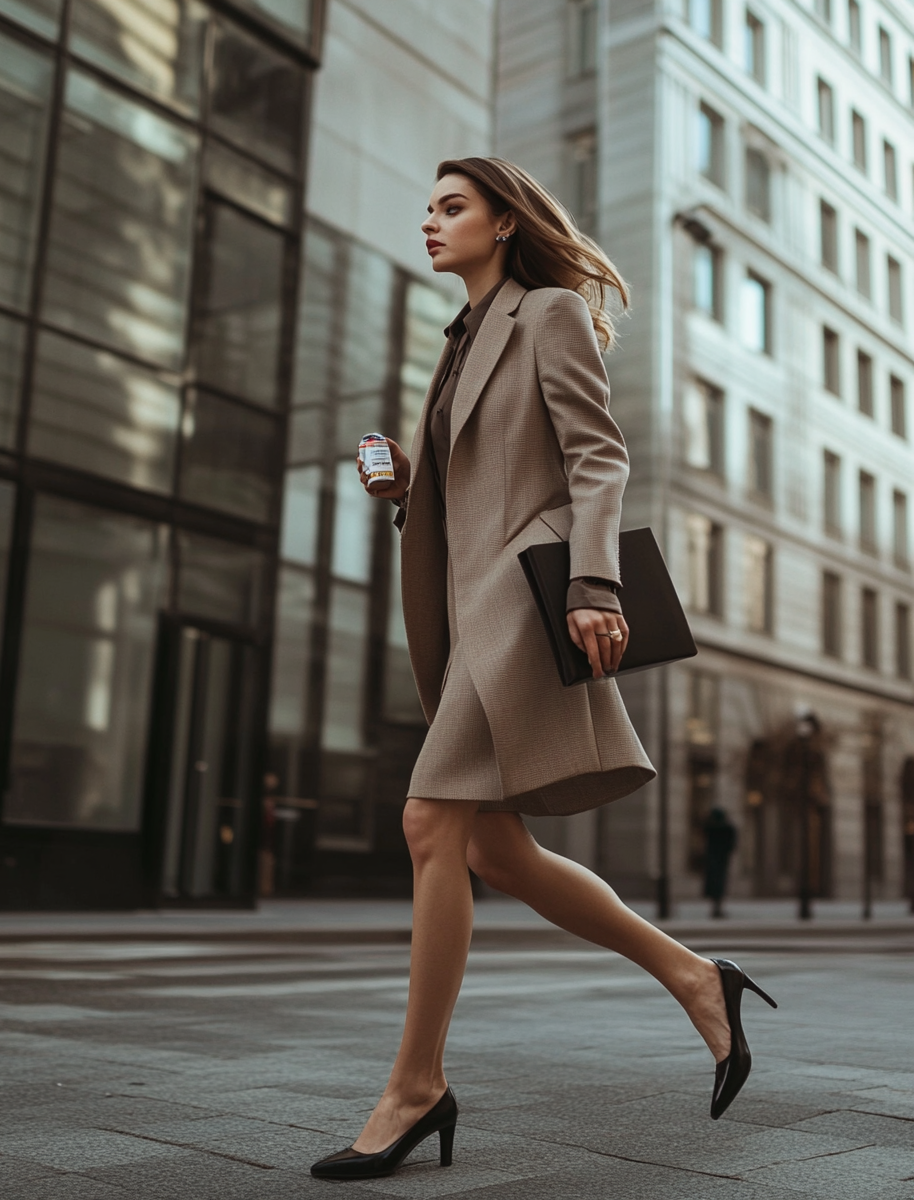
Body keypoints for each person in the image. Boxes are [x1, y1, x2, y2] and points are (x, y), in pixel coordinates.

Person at [310, 158, 776, 1182]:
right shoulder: (463, 337)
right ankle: (698, 978)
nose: (429, 222)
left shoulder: (548, 312)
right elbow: (474, 483)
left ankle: (416, 1089)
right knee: (496, 854)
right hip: (467, 608)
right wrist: (403, 484)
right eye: (427, 208)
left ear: (505, 222)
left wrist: (596, 585)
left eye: (451, 207)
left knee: (432, 824)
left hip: (524, 601)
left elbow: (596, 457)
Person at [703, 807, 738, 918]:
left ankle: (716, 908)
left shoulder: (711, 828)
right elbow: (732, 843)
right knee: (720, 884)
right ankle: (717, 908)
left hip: (713, 859)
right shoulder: (727, 828)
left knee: (715, 885)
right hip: (722, 860)